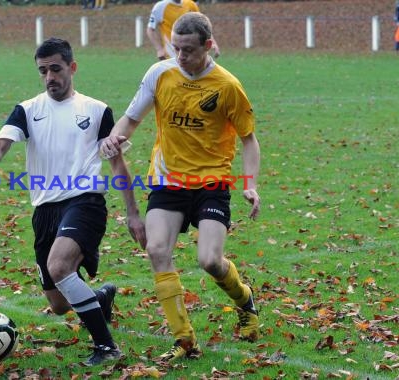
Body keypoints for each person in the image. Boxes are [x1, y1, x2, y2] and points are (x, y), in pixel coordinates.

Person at [101, 12, 260, 362]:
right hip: (167, 179)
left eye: (188, 50)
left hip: (211, 182)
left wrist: (249, 184)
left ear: (207, 45)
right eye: (175, 48)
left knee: (209, 261)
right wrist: (115, 139)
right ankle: (184, 339)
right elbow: (131, 119)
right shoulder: (160, 73)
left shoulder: (228, 86)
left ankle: (244, 300)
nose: (180, 56)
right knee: (157, 250)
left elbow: (249, 140)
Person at [0, 38, 146, 366]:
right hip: (44, 210)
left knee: (59, 267)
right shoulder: (27, 110)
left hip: (85, 202)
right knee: (57, 303)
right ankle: (99, 299)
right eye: (43, 71)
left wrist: (133, 213)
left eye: (55, 69)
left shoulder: (97, 111)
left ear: (72, 67)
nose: (49, 76)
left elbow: (117, 164)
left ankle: (106, 347)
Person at [147, 0, 220, 61]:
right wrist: (159, 49)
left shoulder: (191, 4)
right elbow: (150, 29)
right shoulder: (160, 7)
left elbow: (203, 26)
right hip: (171, 56)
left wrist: (213, 43)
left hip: (192, 54)